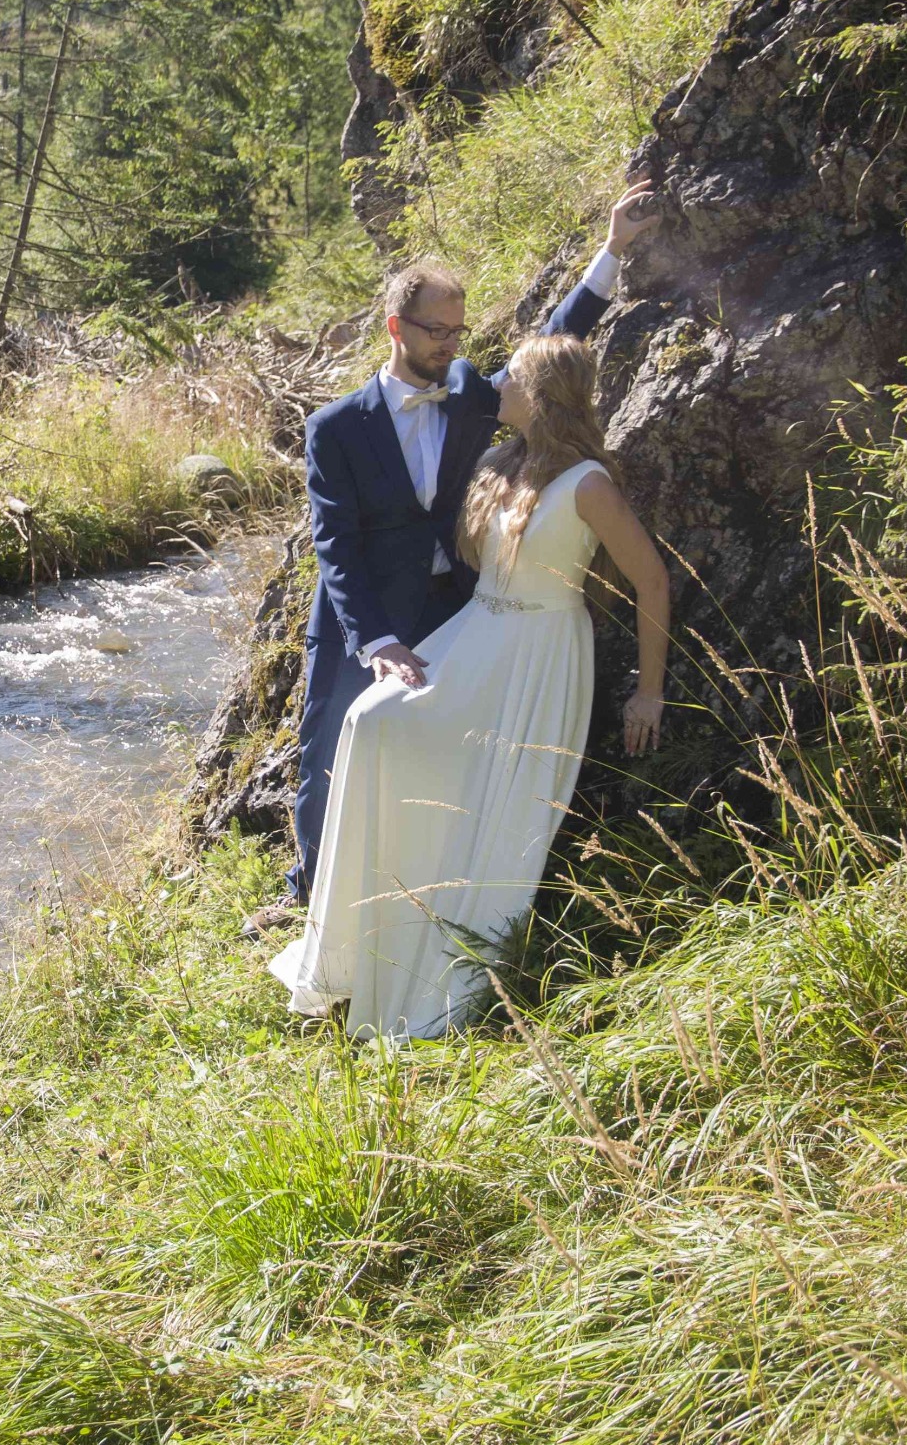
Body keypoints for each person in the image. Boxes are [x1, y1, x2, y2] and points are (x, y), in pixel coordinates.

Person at [242, 183, 658, 940]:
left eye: (459, 333)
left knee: (444, 753)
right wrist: (375, 641)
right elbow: (334, 544)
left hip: (458, 610)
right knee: (331, 747)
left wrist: (612, 250)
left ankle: (420, 900)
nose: (450, 345)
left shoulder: (467, 390)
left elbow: (550, 347)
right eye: (437, 331)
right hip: (360, 618)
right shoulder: (333, 429)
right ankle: (314, 905)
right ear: (396, 328)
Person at [268, 333, 669, 1039]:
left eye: (509, 378)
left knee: (484, 796)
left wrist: (650, 690)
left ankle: (444, 953)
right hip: (475, 636)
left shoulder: (588, 484)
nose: (494, 386)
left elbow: (652, 580)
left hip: (540, 653)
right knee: (371, 721)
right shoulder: (498, 463)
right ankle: (361, 944)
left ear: (540, 395)